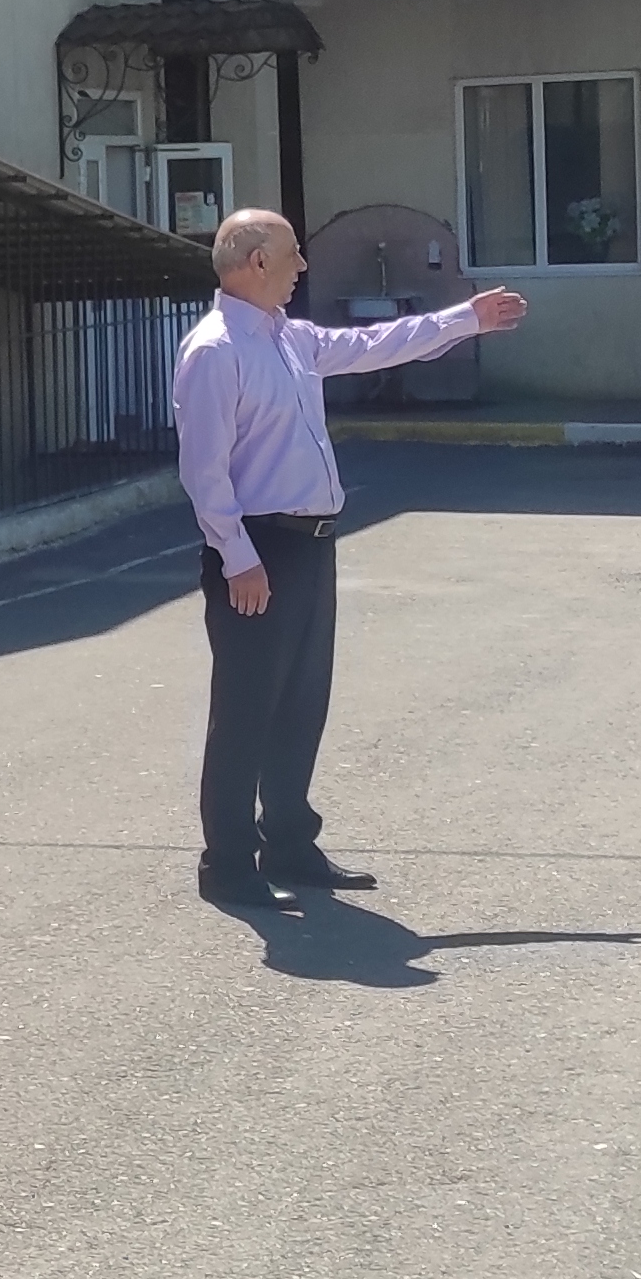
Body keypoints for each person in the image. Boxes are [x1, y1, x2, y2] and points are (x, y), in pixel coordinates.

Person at [171, 210, 525, 912]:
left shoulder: (289, 338)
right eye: (292, 254)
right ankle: (229, 865)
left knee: (301, 703)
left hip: (310, 544)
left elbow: (372, 344)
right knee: (246, 709)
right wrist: (237, 557)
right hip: (259, 549)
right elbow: (203, 471)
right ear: (256, 262)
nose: (302, 267)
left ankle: (290, 845)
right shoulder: (215, 350)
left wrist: (466, 320)